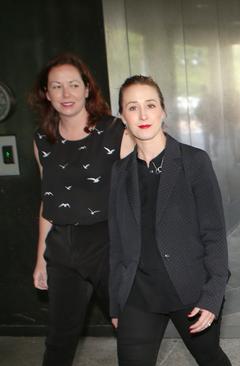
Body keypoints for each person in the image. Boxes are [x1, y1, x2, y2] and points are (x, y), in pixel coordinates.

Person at [108, 75, 231, 366]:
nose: (143, 114)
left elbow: (214, 234)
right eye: (132, 107)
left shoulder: (194, 162)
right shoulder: (120, 172)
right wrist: (115, 301)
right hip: (137, 295)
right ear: (122, 117)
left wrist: (212, 296)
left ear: (163, 110)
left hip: (189, 289)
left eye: (150, 105)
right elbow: (116, 242)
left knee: (210, 358)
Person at [29, 53, 132, 366]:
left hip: (108, 245)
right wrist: (40, 260)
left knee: (128, 331)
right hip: (62, 249)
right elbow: (49, 200)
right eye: (57, 87)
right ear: (46, 94)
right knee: (59, 340)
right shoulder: (42, 140)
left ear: (87, 88)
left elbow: (134, 196)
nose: (66, 93)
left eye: (73, 84)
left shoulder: (116, 131)